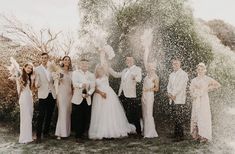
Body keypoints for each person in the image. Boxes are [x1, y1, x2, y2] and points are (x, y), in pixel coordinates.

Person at [109, 56, 142, 136]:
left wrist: (135, 78)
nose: (128, 61)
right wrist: (109, 68)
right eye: (127, 60)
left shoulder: (137, 69)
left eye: (130, 59)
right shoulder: (125, 70)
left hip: (131, 95)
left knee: (134, 113)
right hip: (122, 94)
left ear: (133, 60)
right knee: (124, 113)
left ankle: (138, 131)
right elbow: (116, 75)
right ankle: (128, 129)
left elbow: (139, 79)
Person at [190, 63, 221, 143]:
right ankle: (196, 135)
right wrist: (194, 94)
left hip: (204, 100)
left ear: (204, 70)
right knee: (196, 116)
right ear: (197, 70)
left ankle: (204, 136)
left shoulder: (207, 79)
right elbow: (191, 91)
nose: (200, 71)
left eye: (201, 69)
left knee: (203, 116)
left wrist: (207, 89)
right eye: (198, 69)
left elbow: (218, 85)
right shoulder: (194, 80)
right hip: (196, 100)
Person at [71, 59, 95, 143]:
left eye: (86, 64)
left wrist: (89, 93)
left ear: (88, 65)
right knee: (78, 117)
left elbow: (93, 87)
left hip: (87, 98)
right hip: (77, 98)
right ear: (80, 64)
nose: (85, 65)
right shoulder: (75, 73)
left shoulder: (91, 75)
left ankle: (83, 134)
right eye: (83, 64)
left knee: (85, 117)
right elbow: (74, 84)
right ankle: (78, 136)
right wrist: (81, 85)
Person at [35, 53, 56, 143]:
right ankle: (38, 136)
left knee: (49, 114)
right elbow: (36, 81)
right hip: (43, 94)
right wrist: (36, 84)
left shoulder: (51, 69)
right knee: (41, 115)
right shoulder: (37, 69)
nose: (44, 59)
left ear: (48, 59)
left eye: (46, 58)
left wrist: (58, 76)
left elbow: (54, 79)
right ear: (40, 59)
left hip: (52, 94)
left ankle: (46, 132)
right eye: (42, 58)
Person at [167, 58, 188, 142]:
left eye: (176, 64)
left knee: (179, 117)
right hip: (172, 98)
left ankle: (180, 136)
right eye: (173, 64)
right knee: (175, 116)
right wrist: (169, 93)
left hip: (179, 98)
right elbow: (169, 85)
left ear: (180, 64)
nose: (175, 65)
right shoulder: (171, 74)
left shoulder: (184, 74)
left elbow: (180, 86)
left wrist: (173, 94)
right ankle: (176, 134)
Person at [55, 56, 73, 140]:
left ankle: (66, 132)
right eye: (65, 60)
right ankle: (60, 133)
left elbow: (73, 84)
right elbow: (56, 81)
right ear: (62, 61)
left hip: (69, 93)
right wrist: (58, 78)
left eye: (68, 60)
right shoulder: (59, 70)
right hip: (61, 93)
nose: (67, 61)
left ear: (70, 62)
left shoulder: (71, 72)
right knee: (62, 111)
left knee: (67, 112)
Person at [16, 63, 35, 144]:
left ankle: (29, 137)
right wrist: (20, 84)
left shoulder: (30, 77)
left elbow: (31, 89)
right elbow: (19, 90)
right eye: (28, 68)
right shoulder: (20, 76)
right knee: (25, 118)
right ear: (24, 67)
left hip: (29, 98)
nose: (29, 69)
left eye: (31, 68)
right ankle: (24, 138)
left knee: (29, 117)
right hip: (24, 98)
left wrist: (33, 80)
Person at [142, 62, 159, 138]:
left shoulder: (155, 77)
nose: (149, 68)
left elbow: (156, 88)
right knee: (144, 113)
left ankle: (150, 133)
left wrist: (148, 90)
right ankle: (145, 131)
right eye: (149, 67)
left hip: (149, 95)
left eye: (151, 67)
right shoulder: (146, 76)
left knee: (149, 113)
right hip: (144, 95)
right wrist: (143, 94)